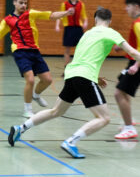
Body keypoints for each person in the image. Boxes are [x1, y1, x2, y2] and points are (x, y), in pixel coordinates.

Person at [8, 8, 140, 159]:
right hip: (84, 77)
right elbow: (134, 53)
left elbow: (80, 59)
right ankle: (71, 142)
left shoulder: (87, 34)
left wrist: (96, 79)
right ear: (109, 21)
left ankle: (20, 128)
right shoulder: (111, 33)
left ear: (95, 20)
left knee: (56, 111)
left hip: (72, 75)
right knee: (104, 118)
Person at [0, 0, 74, 118]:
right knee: (30, 79)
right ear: (14, 3)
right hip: (20, 51)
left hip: (34, 51)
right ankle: (27, 109)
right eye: (21, 3)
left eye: (25, 3)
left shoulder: (31, 14)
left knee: (47, 80)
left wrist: (66, 13)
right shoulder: (7, 20)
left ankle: (36, 95)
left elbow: (51, 15)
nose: (23, 5)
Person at [114, 0, 140, 139]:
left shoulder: (138, 23)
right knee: (121, 88)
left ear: (136, 6)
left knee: (119, 93)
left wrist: (136, 65)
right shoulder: (137, 22)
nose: (126, 9)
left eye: (128, 6)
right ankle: (128, 121)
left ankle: (129, 128)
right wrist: (123, 47)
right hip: (134, 61)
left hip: (137, 63)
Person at [55, 0, 88, 74]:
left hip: (78, 29)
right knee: (67, 50)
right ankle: (66, 70)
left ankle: (78, 68)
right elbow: (60, 16)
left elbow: (84, 15)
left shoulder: (81, 4)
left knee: (80, 49)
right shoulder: (64, 4)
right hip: (68, 29)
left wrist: (85, 22)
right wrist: (57, 25)